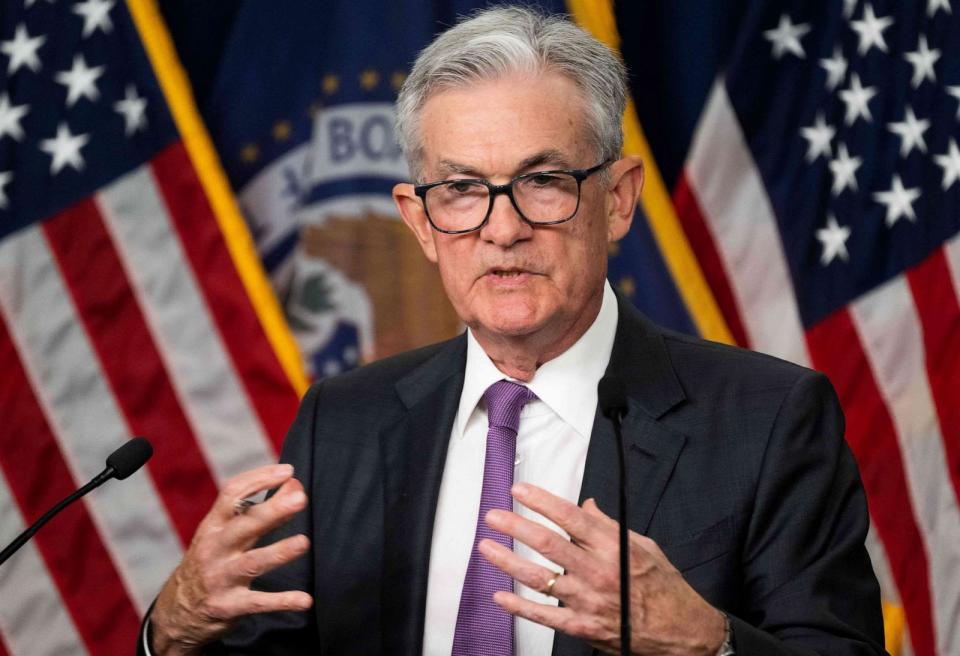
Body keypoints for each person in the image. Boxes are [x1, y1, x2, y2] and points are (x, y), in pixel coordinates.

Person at [142, 6, 884, 655]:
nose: (502, 229)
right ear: (420, 220)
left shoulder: (768, 420)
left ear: (618, 200)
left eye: (543, 181)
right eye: (462, 190)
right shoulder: (343, 423)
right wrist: (170, 629)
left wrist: (705, 641)